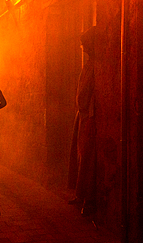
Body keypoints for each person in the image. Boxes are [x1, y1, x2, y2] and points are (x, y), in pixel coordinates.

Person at [68, 26, 96, 216]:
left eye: (85, 43)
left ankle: (87, 197)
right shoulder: (90, 64)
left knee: (86, 156)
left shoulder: (95, 66)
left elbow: (87, 91)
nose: (82, 46)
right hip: (84, 113)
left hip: (90, 115)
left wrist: (85, 108)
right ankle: (80, 194)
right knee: (80, 155)